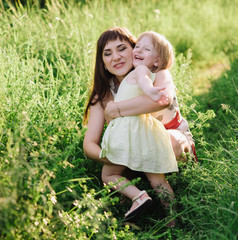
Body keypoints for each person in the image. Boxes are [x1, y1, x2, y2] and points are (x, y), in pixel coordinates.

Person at [83, 27, 195, 226]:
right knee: (112, 176)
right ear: (103, 63)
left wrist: (116, 109)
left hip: (173, 140)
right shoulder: (103, 95)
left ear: (134, 50)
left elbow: (162, 100)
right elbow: (89, 144)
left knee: (169, 141)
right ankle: (150, 205)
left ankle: (174, 218)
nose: (115, 57)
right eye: (107, 54)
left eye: (121, 49)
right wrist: (115, 156)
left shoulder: (155, 72)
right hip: (134, 149)